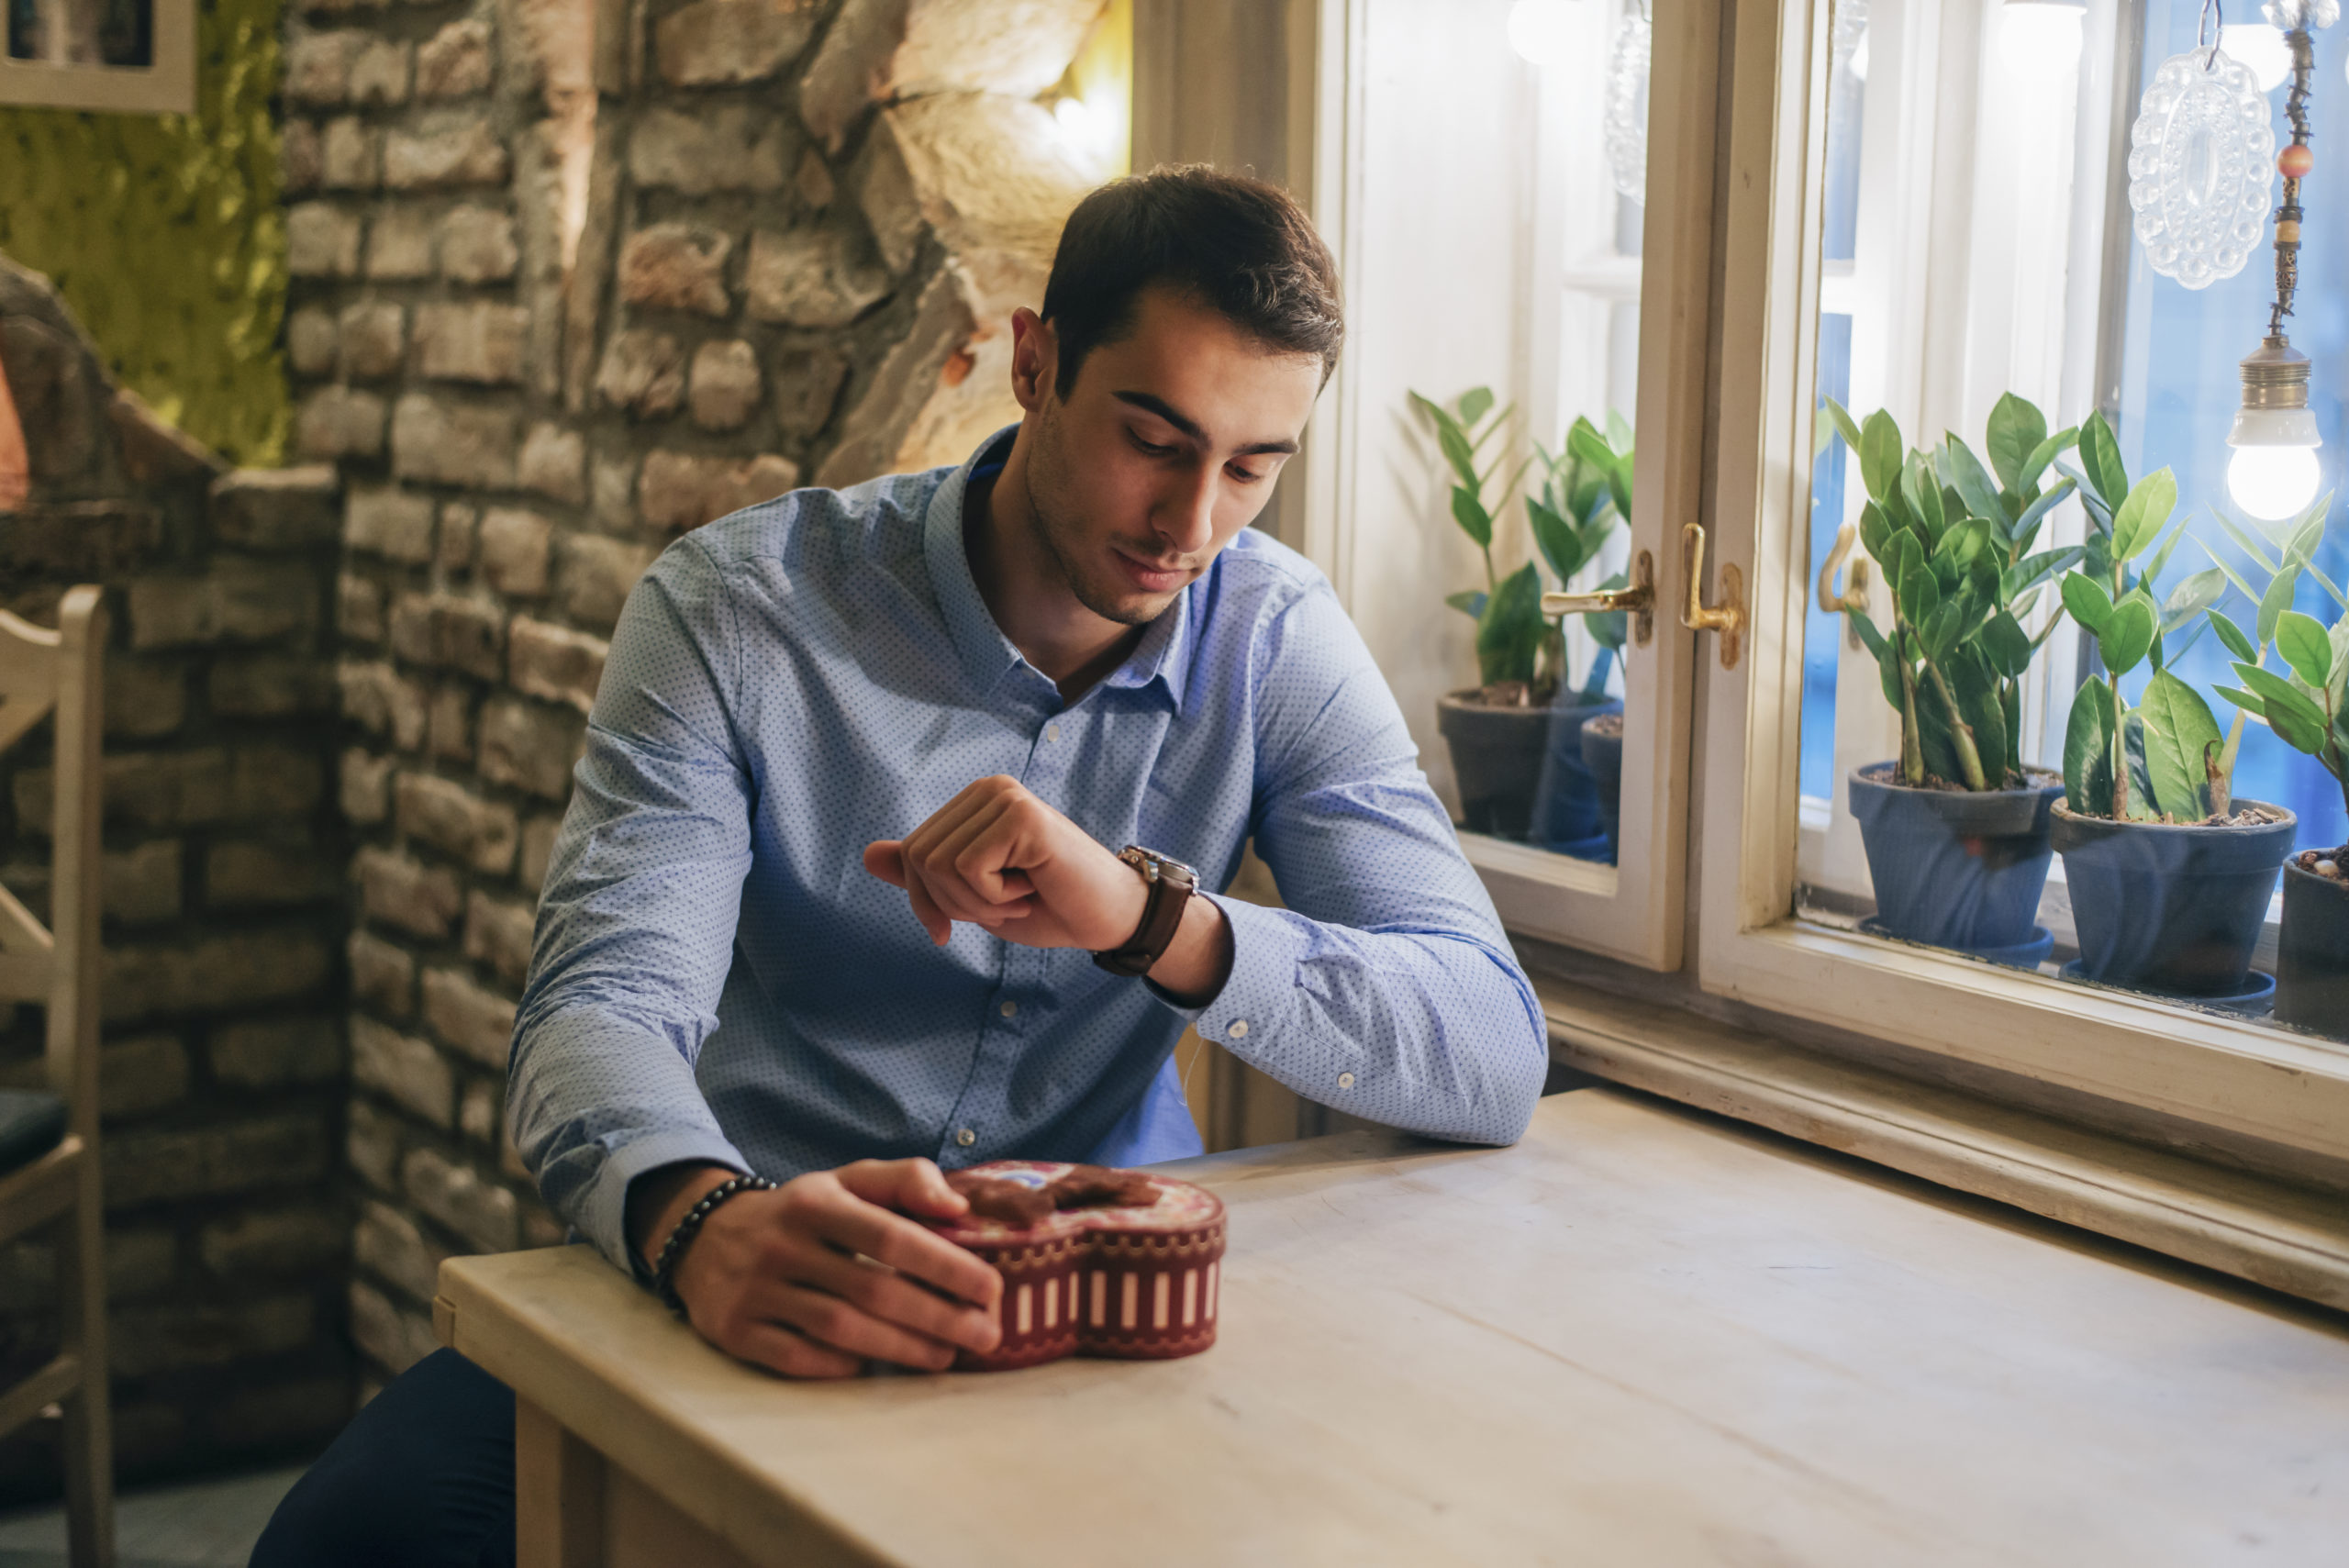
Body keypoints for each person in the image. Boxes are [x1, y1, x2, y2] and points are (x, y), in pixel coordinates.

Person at [252, 164, 1547, 1567]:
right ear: (1034, 361)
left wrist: (1143, 915)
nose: (1193, 523)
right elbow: (601, 1008)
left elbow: (1490, 1047)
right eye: (1155, 438)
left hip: (1096, 1321)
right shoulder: (739, 611)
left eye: (1251, 466)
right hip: (745, 1263)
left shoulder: (1279, 640)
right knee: (352, 1538)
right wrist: (704, 1225)